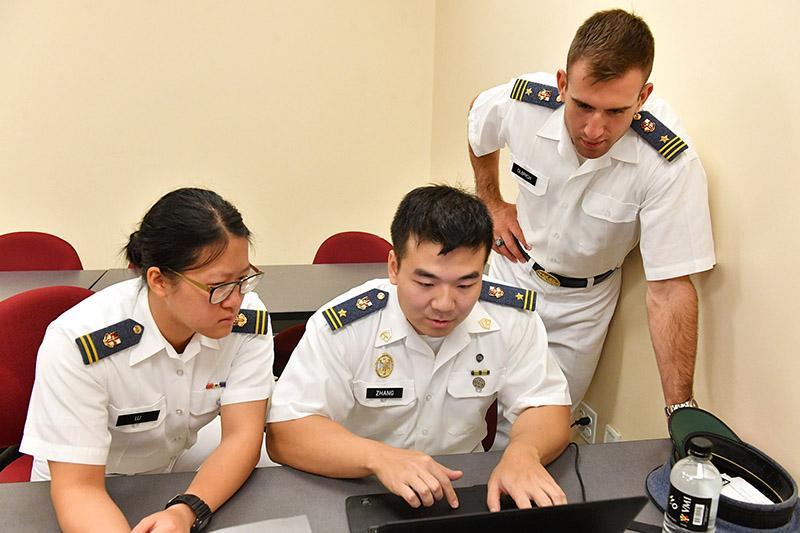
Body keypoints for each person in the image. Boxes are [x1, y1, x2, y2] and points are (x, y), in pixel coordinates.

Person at [468, 10, 715, 432]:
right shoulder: (524, 103)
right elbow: (479, 119)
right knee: (465, 408)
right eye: (582, 105)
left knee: (542, 429)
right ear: (562, 84)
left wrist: (681, 412)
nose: (595, 129)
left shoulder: (668, 161)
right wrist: (490, 201)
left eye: (616, 111)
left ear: (643, 97)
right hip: (512, 275)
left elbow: (671, 288)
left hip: (581, 307)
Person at [267, 185, 571, 511]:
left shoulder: (512, 317)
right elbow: (286, 432)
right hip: (356, 483)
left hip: (460, 484)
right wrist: (379, 457)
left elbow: (545, 405)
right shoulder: (347, 325)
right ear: (394, 267)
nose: (444, 303)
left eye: (466, 284)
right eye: (425, 283)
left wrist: (524, 453)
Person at [21, 188, 274, 533]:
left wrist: (187, 510)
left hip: (178, 462)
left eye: (243, 279)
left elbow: (242, 435)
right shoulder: (81, 342)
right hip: (89, 479)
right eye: (218, 286)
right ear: (158, 280)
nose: (235, 301)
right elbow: (79, 488)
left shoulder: (247, 321)